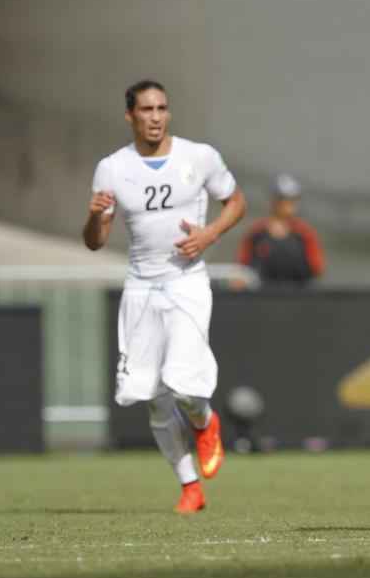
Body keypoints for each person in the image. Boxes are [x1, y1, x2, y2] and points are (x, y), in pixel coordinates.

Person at [83, 79, 247, 513]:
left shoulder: (200, 156)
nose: (155, 117)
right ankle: (190, 487)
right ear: (130, 116)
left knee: (184, 384)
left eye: (161, 108)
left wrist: (210, 234)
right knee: (153, 398)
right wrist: (95, 217)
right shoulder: (112, 168)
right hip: (141, 287)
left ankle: (205, 423)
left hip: (186, 282)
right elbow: (96, 241)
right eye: (146, 110)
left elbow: (236, 202)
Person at [236, 173, 325, 286]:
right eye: (284, 199)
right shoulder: (257, 233)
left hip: (298, 293)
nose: (289, 205)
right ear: (274, 201)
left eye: (293, 200)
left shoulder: (304, 234)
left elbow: (317, 267)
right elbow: (242, 269)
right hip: (262, 293)